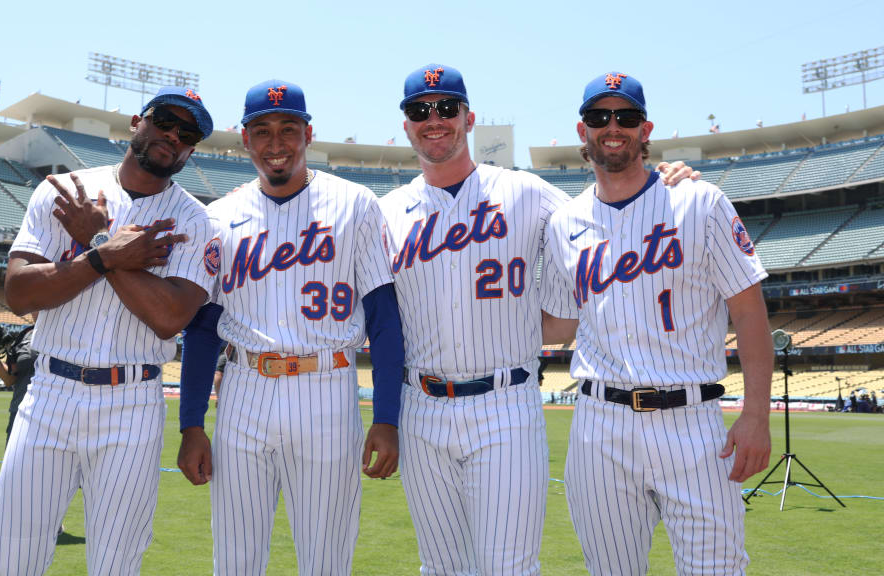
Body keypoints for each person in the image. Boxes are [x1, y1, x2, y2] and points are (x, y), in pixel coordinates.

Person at [378, 63, 697, 575]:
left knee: (510, 565)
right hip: (422, 405)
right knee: (439, 566)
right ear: (406, 124)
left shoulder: (525, 191)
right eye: (420, 110)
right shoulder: (386, 211)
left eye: (446, 108)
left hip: (506, 401)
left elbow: (609, 207)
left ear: (469, 117)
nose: (433, 119)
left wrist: (667, 178)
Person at [540, 71, 773, 575]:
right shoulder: (564, 223)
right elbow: (558, 324)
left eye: (626, 116)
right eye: (599, 117)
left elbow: (750, 310)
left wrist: (757, 413)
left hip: (691, 421)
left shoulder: (699, 201)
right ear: (583, 131)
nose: (613, 127)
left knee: (718, 568)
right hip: (599, 425)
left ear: (646, 130)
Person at [0, 85, 222, 576]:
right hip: (49, 391)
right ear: (138, 121)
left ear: (191, 150)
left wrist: (95, 243)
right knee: (14, 554)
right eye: (165, 122)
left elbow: (168, 317)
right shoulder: (64, 189)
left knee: (117, 562)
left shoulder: (196, 221)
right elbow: (20, 294)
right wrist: (107, 257)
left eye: (187, 134)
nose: (172, 136)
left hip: (131, 400)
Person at [177, 79, 404, 575]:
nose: (275, 143)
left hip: (326, 388)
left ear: (308, 134)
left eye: (288, 129)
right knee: (234, 558)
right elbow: (201, 328)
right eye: (262, 130)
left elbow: (385, 319)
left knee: (326, 559)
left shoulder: (356, 204)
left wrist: (387, 418)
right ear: (245, 139)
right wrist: (191, 423)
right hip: (243, 391)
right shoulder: (219, 217)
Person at [0, 318, 51, 538]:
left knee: (50, 473)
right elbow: (9, 379)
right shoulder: (22, 336)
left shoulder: (64, 333)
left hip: (52, 412)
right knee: (12, 470)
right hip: (20, 411)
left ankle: (52, 521)